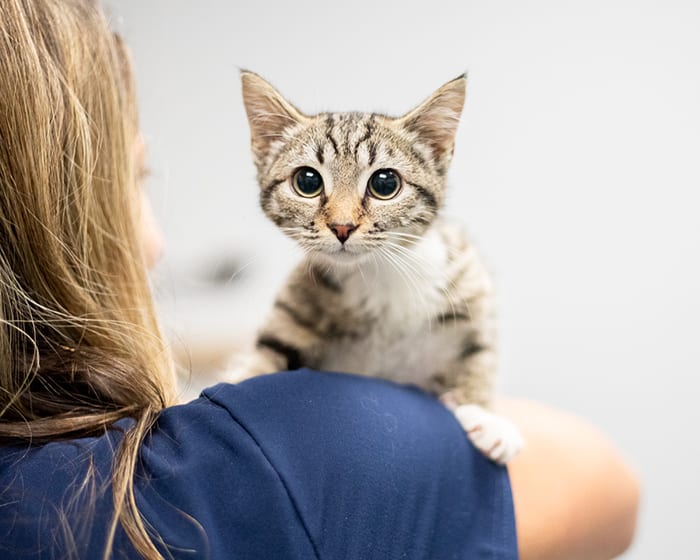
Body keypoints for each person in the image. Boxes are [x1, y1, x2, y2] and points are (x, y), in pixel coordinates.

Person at [0, 1, 639, 558]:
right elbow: (606, 487)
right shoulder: (262, 460)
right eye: (310, 183)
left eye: (380, 186)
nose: (340, 219)